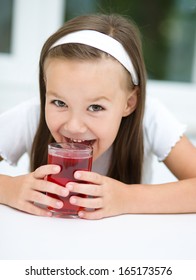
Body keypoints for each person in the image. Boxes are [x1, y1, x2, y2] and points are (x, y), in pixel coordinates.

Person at [0, 13, 196, 220]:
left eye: (95, 107)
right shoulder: (32, 114)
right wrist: (8, 188)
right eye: (59, 103)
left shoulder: (150, 118)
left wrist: (127, 198)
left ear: (129, 103)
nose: (74, 126)